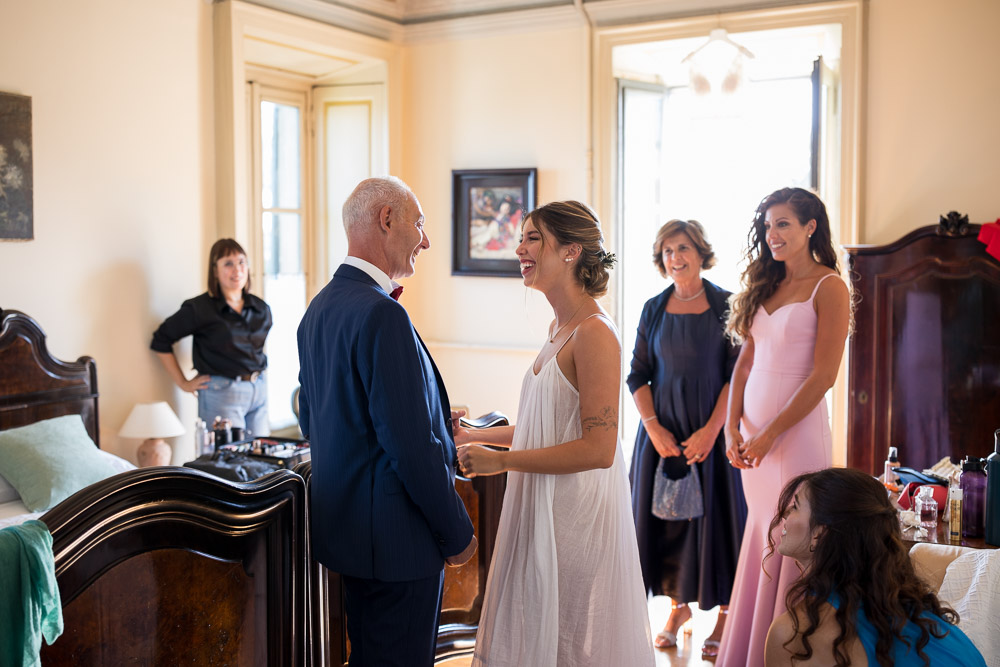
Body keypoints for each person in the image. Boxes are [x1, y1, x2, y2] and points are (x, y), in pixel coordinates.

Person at [457, 201, 654, 666]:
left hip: (574, 514)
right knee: (538, 632)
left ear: (570, 251)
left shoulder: (595, 333)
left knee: (566, 643)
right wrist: (470, 437)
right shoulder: (558, 326)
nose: (519, 249)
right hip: (540, 504)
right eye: (521, 238)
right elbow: (542, 425)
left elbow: (599, 448)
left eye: (532, 239)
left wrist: (501, 461)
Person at [296, 176, 477, 667]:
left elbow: (320, 420)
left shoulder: (317, 310)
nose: (427, 239)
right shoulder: (382, 315)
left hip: (352, 540)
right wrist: (458, 534)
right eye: (419, 223)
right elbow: (410, 448)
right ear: (387, 219)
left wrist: (434, 411)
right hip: (399, 546)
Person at [716, 187, 851, 667]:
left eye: (783, 224)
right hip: (751, 438)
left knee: (795, 531)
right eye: (767, 226)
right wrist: (730, 426)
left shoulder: (829, 286)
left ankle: (794, 653)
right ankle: (752, 649)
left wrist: (771, 431)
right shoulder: (764, 285)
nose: (772, 235)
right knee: (761, 530)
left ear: (811, 226)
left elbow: (824, 376)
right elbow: (744, 363)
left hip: (795, 435)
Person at [627, 219, 746, 659]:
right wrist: (654, 428)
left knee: (719, 521)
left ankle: (727, 615)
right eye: (666, 252)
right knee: (669, 525)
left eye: (682, 249)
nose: (674, 259)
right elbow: (637, 374)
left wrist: (712, 432)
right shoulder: (653, 309)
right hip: (663, 439)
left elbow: (736, 376)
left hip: (712, 435)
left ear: (700, 252)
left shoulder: (727, 305)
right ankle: (679, 609)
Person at [764, 467, 986, 666]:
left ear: (819, 533)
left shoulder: (793, 634)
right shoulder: (909, 607)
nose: (784, 514)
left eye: (795, 506)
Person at [151, 238, 272, 437]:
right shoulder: (199, 309)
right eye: (228, 264)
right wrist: (183, 383)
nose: (237, 270)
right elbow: (160, 340)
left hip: (258, 390)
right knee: (224, 463)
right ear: (215, 271)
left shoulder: (261, 308)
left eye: (242, 262)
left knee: (261, 460)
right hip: (221, 393)